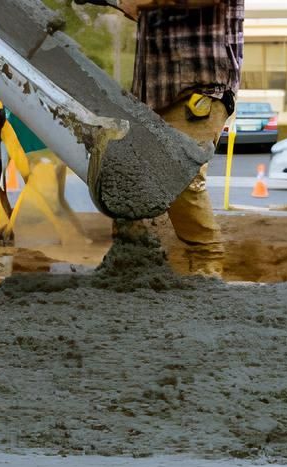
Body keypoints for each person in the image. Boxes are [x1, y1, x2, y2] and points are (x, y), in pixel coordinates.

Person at [80, 0, 244, 277]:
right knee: (127, 177)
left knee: (180, 176)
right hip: (152, 91)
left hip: (200, 84)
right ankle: (130, 264)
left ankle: (206, 264)